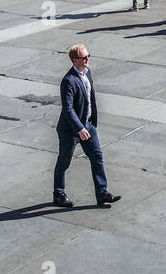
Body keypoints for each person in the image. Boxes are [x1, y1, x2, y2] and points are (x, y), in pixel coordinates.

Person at [52, 44, 121, 209]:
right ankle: (59, 194)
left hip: (88, 125)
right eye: (84, 57)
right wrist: (79, 129)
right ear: (75, 60)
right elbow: (67, 109)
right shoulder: (68, 81)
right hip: (71, 130)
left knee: (97, 158)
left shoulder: (87, 73)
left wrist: (89, 124)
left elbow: (89, 99)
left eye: (88, 55)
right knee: (64, 161)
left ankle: (102, 192)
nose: (88, 59)